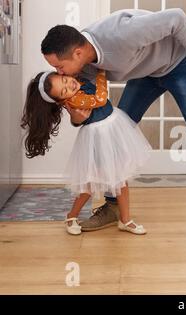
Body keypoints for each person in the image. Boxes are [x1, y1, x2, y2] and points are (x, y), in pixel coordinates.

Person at [41, 8, 186, 245]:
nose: (58, 73)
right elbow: (93, 117)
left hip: (181, 65)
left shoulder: (121, 34)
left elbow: (177, 18)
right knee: (113, 134)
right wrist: (76, 118)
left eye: (60, 67)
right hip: (146, 74)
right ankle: (113, 207)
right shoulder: (82, 66)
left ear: (76, 53)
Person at [21, 69, 150, 235]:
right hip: (98, 138)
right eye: (64, 90)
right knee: (89, 184)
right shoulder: (76, 99)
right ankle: (71, 215)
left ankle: (125, 220)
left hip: (113, 128)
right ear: (62, 101)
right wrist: (101, 75)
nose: (70, 85)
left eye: (65, 80)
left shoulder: (77, 80)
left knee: (121, 179)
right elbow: (100, 99)